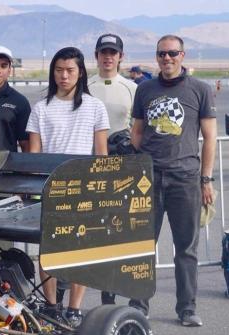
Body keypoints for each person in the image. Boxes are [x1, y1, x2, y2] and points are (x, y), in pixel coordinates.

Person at [130, 35, 216, 327]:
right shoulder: (145, 90)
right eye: (161, 54)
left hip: (185, 179)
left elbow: (210, 138)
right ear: (156, 57)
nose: (167, 59)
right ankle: (138, 305)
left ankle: (187, 308)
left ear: (183, 55)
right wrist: (142, 164)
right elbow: (137, 132)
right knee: (142, 246)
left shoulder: (200, 90)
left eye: (172, 53)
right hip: (149, 179)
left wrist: (206, 179)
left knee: (186, 248)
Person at [26, 47, 109, 327]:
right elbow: (35, 154)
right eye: (59, 70)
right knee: (47, 251)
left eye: (70, 70)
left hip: (83, 189)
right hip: (49, 190)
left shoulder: (94, 106)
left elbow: (101, 153)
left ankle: (74, 308)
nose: (64, 75)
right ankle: (51, 306)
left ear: (81, 72)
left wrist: (100, 190)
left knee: (79, 251)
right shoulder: (40, 108)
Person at [88, 34, 137, 306]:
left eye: (113, 53)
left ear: (120, 56)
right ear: (96, 56)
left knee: (116, 232)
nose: (108, 57)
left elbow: (139, 127)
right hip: (91, 166)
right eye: (103, 52)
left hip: (122, 167)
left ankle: (110, 295)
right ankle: (62, 298)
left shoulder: (132, 88)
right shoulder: (86, 86)